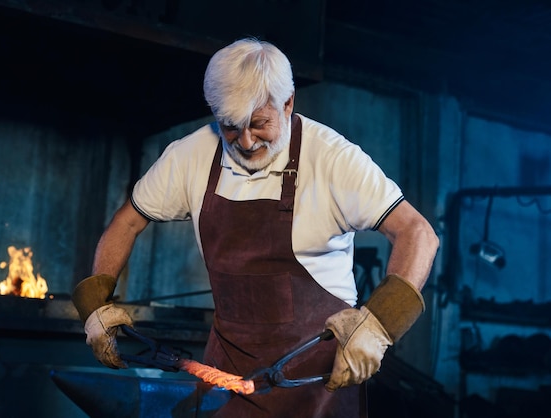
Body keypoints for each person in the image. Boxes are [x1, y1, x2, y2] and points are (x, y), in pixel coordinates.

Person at [71, 37, 439, 417]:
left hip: (317, 378)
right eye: (230, 127)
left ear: (289, 103)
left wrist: (380, 324)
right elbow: (128, 220)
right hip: (225, 372)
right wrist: (96, 303)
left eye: (259, 124)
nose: (245, 142)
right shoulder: (189, 157)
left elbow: (417, 232)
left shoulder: (333, 159)